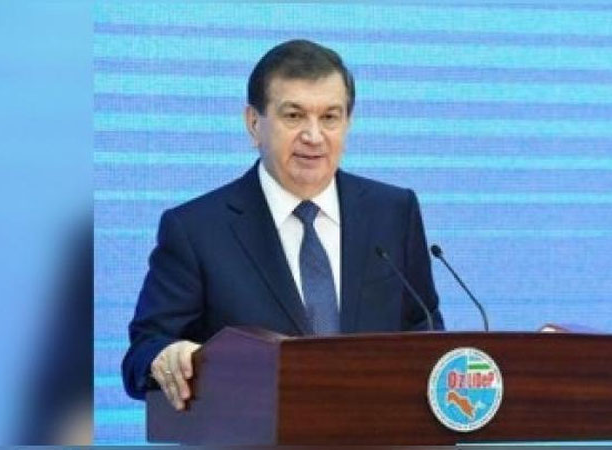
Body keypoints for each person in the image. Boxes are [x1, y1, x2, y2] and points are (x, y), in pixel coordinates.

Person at [121, 39, 444, 410]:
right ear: (253, 124)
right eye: (294, 116)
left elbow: (425, 332)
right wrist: (166, 356)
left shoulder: (393, 212)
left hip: (377, 428)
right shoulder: (196, 230)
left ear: (348, 123)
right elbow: (144, 353)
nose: (313, 136)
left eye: (330, 117)